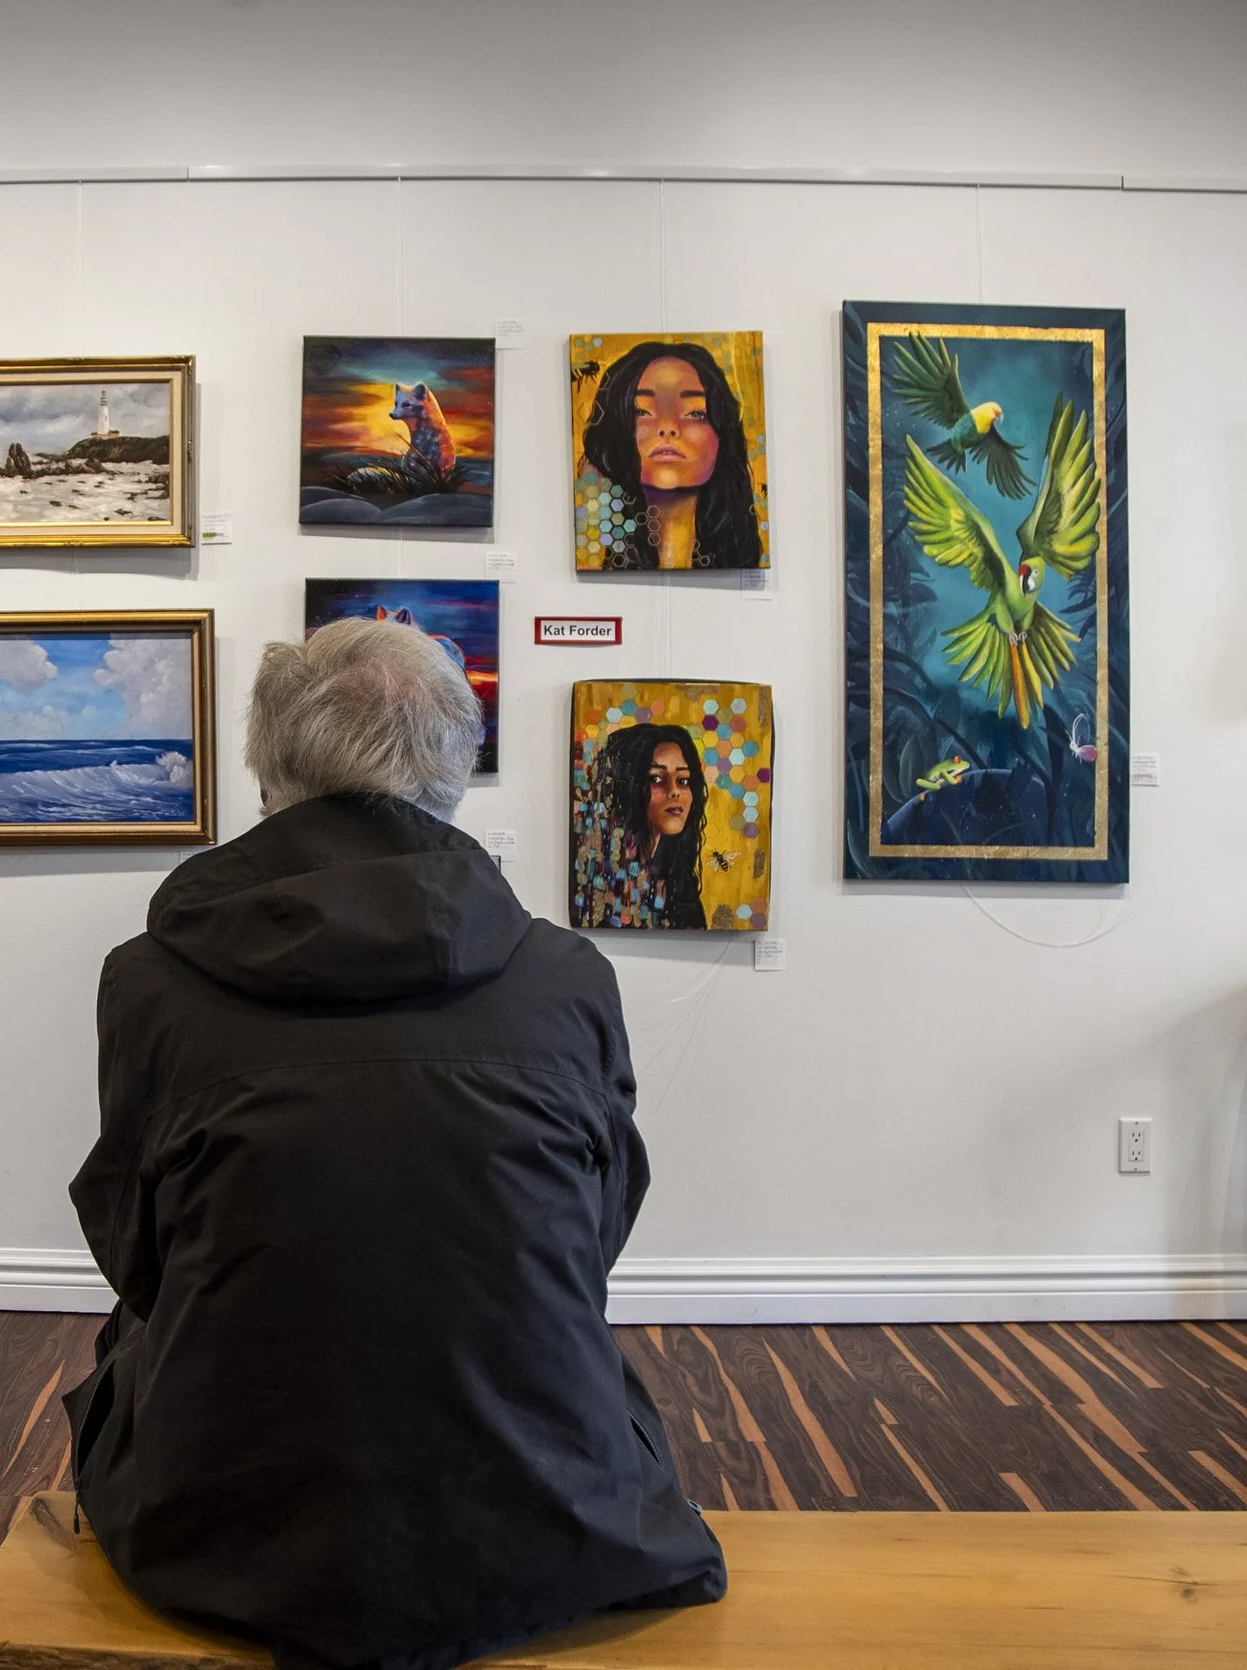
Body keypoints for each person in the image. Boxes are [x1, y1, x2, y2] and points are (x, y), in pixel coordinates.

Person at [66, 617, 725, 1670]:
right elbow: (590, 1242)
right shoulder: (566, 975)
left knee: (130, 1339)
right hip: (551, 1521)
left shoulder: (147, 977)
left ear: (266, 762)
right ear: (454, 766)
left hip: (222, 1536)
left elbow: (137, 1256)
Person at [579, 340, 763, 570]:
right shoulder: (591, 552)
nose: (668, 427)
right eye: (641, 410)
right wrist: (593, 510)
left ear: (722, 438)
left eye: (695, 413)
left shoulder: (738, 560)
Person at [575, 722, 711, 930]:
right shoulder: (600, 881)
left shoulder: (676, 880)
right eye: (655, 778)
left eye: (683, 780)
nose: (674, 791)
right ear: (626, 787)